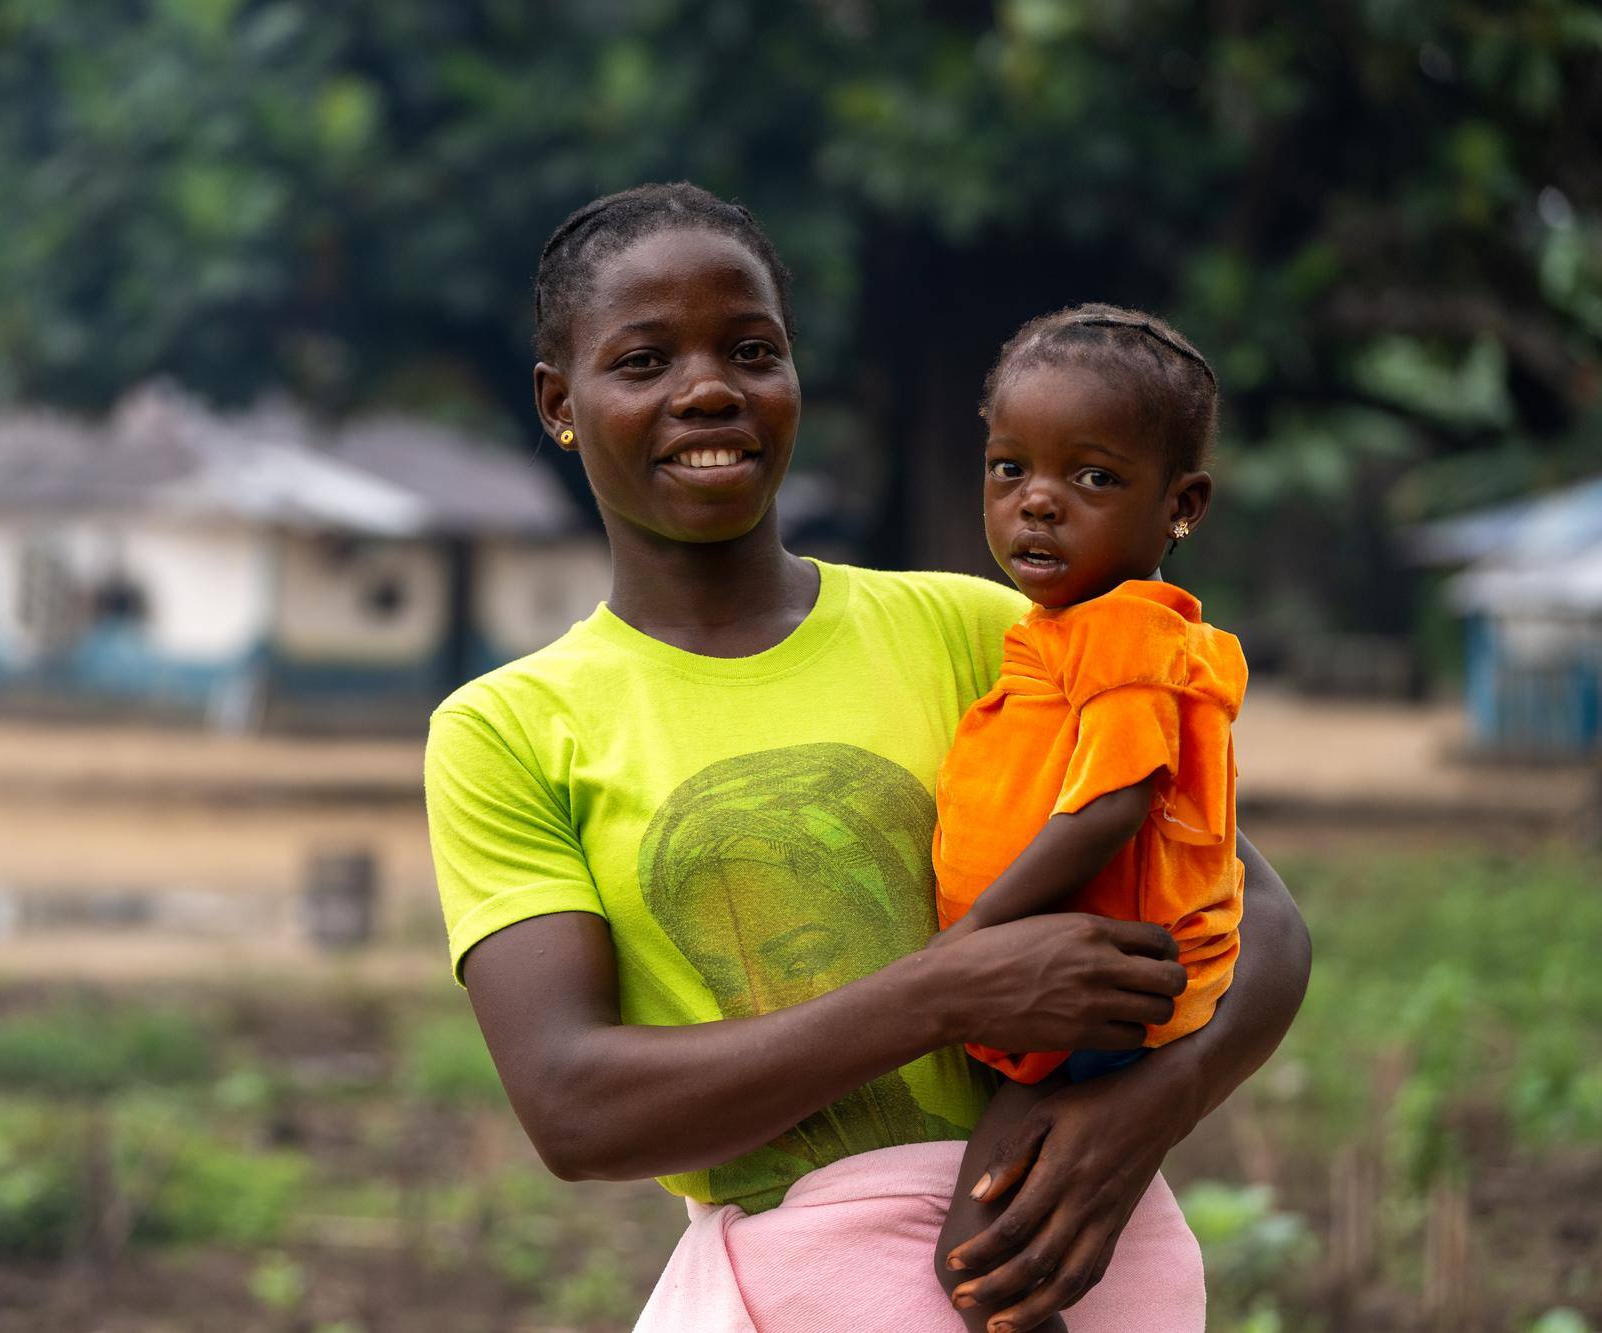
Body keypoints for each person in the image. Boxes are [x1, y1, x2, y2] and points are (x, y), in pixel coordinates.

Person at [423, 182, 1310, 1332]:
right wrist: (942, 993)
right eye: (642, 362)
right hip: (803, 1283)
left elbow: (1258, 915)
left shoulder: (984, 633)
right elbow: (574, 1107)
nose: (707, 391)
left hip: (1049, 1249)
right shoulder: (508, 729)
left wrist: (1151, 1104)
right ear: (558, 402)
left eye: (751, 350)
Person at [929, 305, 1247, 1333]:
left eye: (1092, 478)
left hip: (1092, 1004)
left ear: (1178, 505)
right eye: (1008, 468)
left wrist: (968, 947)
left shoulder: (1119, 631)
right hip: (1077, 992)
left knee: (979, 1263)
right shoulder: (1064, 633)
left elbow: (1109, 805)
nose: (1036, 505)